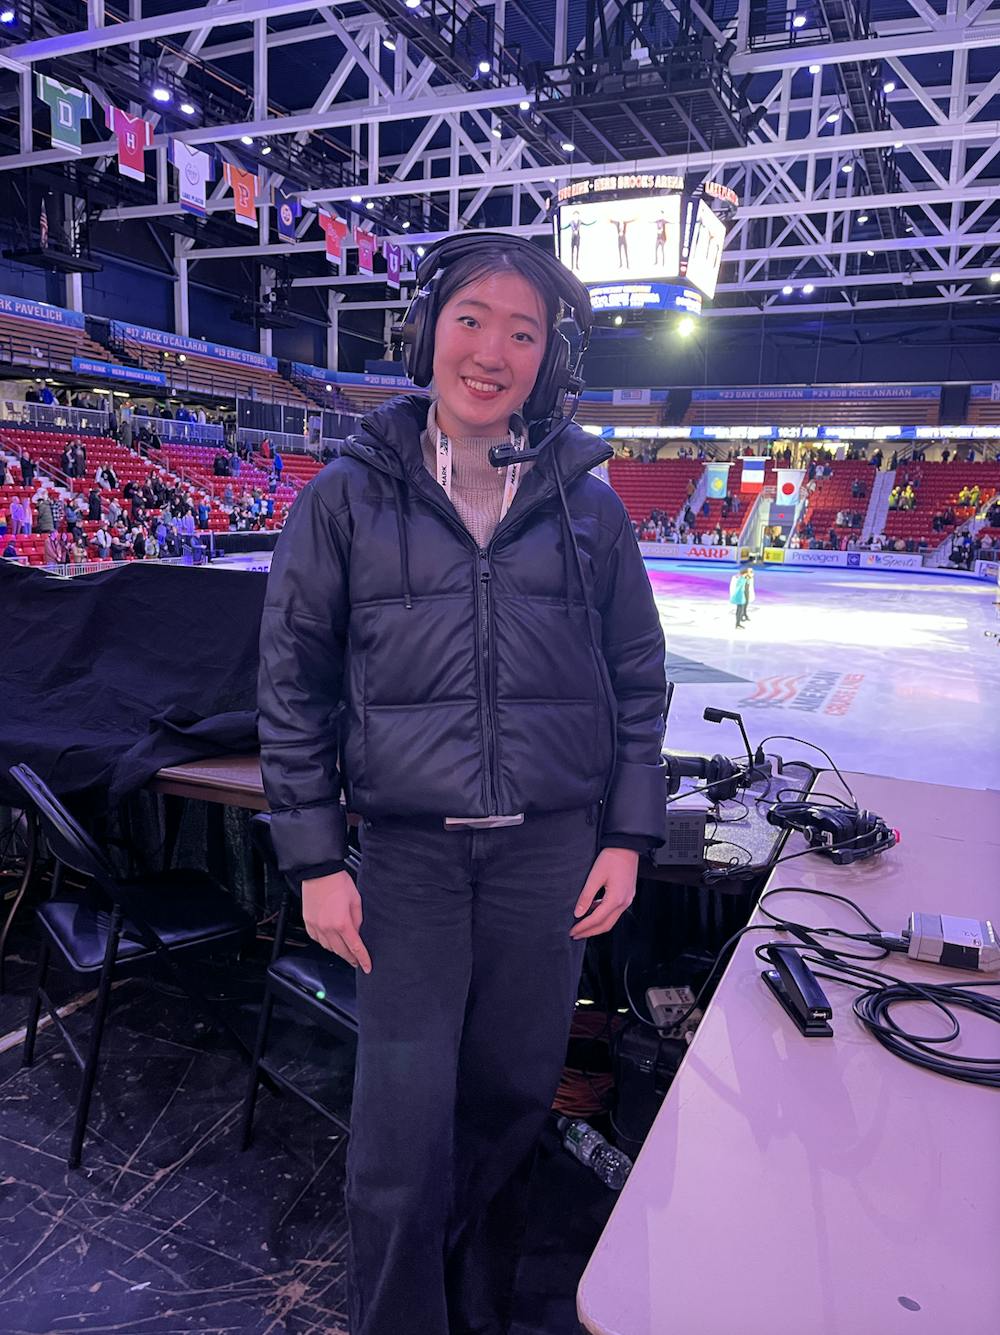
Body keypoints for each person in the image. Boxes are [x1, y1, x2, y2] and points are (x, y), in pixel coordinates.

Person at [257, 232, 667, 1335]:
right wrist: (313, 863)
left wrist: (626, 837)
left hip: (549, 863)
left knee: (506, 1112)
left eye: (523, 332)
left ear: (551, 359)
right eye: (472, 319)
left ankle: (479, 1314)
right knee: (398, 1136)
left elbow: (637, 681)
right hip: (409, 867)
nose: (492, 350)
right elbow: (290, 688)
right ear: (425, 333)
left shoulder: (592, 508)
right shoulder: (343, 499)